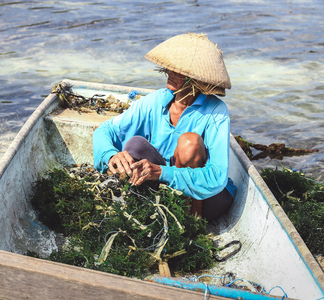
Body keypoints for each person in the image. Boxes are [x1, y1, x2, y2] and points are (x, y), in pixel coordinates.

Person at [93, 33, 236, 221]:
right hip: (163, 193)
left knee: (189, 143)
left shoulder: (216, 111)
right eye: (170, 68)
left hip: (205, 200)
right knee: (135, 144)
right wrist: (111, 154)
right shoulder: (155, 101)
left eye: (180, 71)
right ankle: (159, 214)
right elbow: (105, 131)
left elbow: (217, 177)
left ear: (196, 80)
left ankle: (192, 225)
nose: (170, 72)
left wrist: (161, 172)